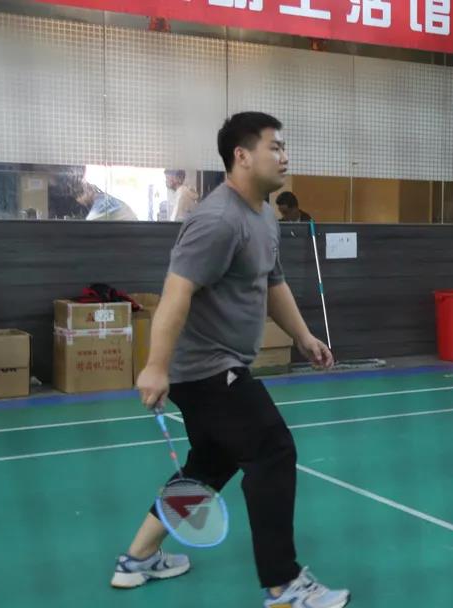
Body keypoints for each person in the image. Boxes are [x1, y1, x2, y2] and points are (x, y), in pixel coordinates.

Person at [111, 112, 350, 608]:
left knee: (211, 463)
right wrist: (155, 366)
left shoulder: (262, 214)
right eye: (274, 147)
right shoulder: (218, 220)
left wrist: (304, 336)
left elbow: (272, 283)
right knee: (272, 450)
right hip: (205, 369)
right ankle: (283, 585)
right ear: (241, 156)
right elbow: (176, 294)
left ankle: (137, 559)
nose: (284, 156)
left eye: (284, 148)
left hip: (221, 366)